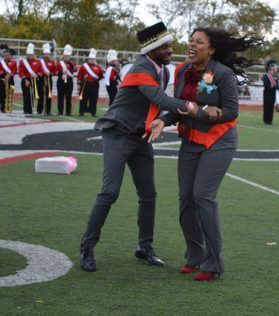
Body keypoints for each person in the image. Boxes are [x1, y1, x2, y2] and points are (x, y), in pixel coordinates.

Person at [79, 21, 193, 272]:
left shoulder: (161, 69)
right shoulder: (141, 67)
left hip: (139, 136)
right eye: (166, 47)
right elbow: (160, 99)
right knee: (110, 192)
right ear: (152, 49)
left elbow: (159, 104)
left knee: (149, 193)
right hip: (118, 134)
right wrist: (193, 107)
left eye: (170, 46)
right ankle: (87, 246)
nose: (170, 51)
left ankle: (144, 246)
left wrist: (161, 120)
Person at [160, 27, 262, 281]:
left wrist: (201, 113)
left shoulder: (223, 74)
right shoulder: (182, 70)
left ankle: (214, 262)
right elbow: (178, 106)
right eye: (190, 41)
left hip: (219, 141)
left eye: (199, 42)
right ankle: (195, 254)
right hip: (190, 140)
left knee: (203, 196)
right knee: (185, 198)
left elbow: (231, 112)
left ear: (212, 49)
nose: (191, 45)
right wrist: (163, 120)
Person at [77, 48, 103, 117]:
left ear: (95, 60)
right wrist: (79, 84)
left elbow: (100, 76)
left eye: (93, 59)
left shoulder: (98, 67)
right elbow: (79, 75)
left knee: (94, 99)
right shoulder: (83, 66)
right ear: (88, 59)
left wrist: (95, 81)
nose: (92, 60)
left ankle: (93, 112)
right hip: (85, 84)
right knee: (83, 98)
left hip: (94, 84)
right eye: (91, 59)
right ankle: (81, 112)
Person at [18, 43, 42, 114]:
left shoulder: (37, 62)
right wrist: (25, 80)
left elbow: (41, 70)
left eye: (31, 55)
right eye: (29, 55)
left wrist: (37, 75)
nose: (30, 56)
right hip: (26, 80)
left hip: (34, 80)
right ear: (27, 55)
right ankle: (26, 110)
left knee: (32, 96)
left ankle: (31, 110)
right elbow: (21, 72)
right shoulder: (23, 62)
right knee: (26, 96)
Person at [56, 44, 77, 116]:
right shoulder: (59, 63)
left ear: (69, 56)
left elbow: (75, 70)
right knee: (60, 97)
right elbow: (56, 72)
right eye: (65, 56)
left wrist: (70, 63)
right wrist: (61, 72)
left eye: (67, 56)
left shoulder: (73, 63)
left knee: (68, 97)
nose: (66, 57)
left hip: (69, 81)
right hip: (61, 81)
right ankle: (60, 111)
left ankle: (68, 112)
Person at [37, 43, 56, 115]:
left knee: (49, 95)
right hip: (41, 79)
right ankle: (39, 110)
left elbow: (54, 71)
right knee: (40, 95)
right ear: (43, 54)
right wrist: (41, 73)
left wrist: (51, 73)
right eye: (45, 54)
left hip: (48, 79)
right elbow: (37, 70)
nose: (47, 55)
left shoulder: (52, 62)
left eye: (48, 54)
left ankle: (48, 110)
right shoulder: (39, 62)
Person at [262, 60, 279, 125]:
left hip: (273, 93)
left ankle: (270, 120)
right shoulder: (266, 76)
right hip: (267, 93)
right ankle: (266, 120)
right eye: (275, 68)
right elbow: (266, 85)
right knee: (267, 106)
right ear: (272, 69)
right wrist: (272, 86)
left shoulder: (276, 77)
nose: (276, 70)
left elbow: (277, 85)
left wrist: (276, 87)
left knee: (271, 107)